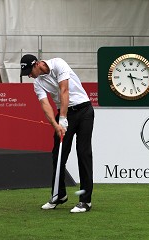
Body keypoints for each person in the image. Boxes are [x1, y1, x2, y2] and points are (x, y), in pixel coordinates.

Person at [20, 54, 94, 213]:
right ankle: (59, 195)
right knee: (58, 154)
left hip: (84, 110)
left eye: (29, 71)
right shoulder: (37, 83)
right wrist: (56, 124)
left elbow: (64, 90)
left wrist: (63, 118)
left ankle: (85, 201)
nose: (29, 75)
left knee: (83, 153)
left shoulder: (58, 64)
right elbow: (45, 104)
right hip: (64, 114)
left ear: (37, 64)